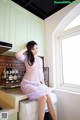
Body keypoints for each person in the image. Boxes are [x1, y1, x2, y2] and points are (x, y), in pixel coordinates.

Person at [15, 41, 57, 120]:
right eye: (33, 49)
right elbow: (17, 55)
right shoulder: (26, 58)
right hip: (27, 84)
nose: (36, 50)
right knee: (43, 97)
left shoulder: (40, 60)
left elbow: (41, 73)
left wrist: (43, 84)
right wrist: (25, 49)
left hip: (37, 84)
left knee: (47, 96)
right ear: (29, 50)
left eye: (37, 48)